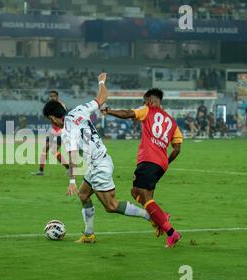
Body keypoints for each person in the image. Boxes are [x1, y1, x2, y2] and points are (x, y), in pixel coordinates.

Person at [43, 73, 151, 244]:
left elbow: (71, 155)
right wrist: (101, 81)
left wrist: (72, 181)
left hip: (100, 165)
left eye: (51, 120)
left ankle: (150, 215)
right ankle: (89, 234)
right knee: (84, 195)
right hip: (99, 162)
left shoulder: (67, 130)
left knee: (111, 206)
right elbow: (102, 97)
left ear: (55, 117)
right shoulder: (79, 110)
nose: (52, 123)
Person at [104, 88, 183, 248]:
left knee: (142, 196)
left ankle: (170, 231)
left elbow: (128, 113)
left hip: (148, 160)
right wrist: (166, 161)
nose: (143, 105)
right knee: (142, 195)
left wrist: (109, 111)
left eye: (144, 102)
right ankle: (159, 217)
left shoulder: (148, 110)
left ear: (151, 101)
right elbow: (177, 149)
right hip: (161, 164)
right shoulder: (172, 123)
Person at [32, 90, 69, 176]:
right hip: (53, 131)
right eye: (51, 96)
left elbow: (63, 118)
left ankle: (68, 168)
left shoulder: (61, 106)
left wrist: (53, 118)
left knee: (54, 151)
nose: (52, 98)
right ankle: (40, 171)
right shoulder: (49, 106)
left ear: (57, 97)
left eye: (54, 96)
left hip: (61, 131)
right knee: (45, 149)